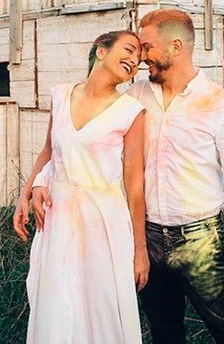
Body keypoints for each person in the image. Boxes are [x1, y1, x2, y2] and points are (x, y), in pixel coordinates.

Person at [13, 30, 149, 344]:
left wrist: (140, 250)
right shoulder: (61, 95)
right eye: (128, 50)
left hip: (104, 222)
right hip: (58, 217)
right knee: (58, 299)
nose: (134, 61)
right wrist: (29, 190)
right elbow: (50, 150)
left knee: (99, 306)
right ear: (101, 50)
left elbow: (135, 183)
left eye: (139, 60)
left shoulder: (131, 112)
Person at [130, 8, 224, 344]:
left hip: (201, 240)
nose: (142, 58)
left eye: (147, 48)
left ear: (175, 47)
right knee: (165, 332)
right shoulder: (136, 96)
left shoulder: (221, 105)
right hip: (148, 238)